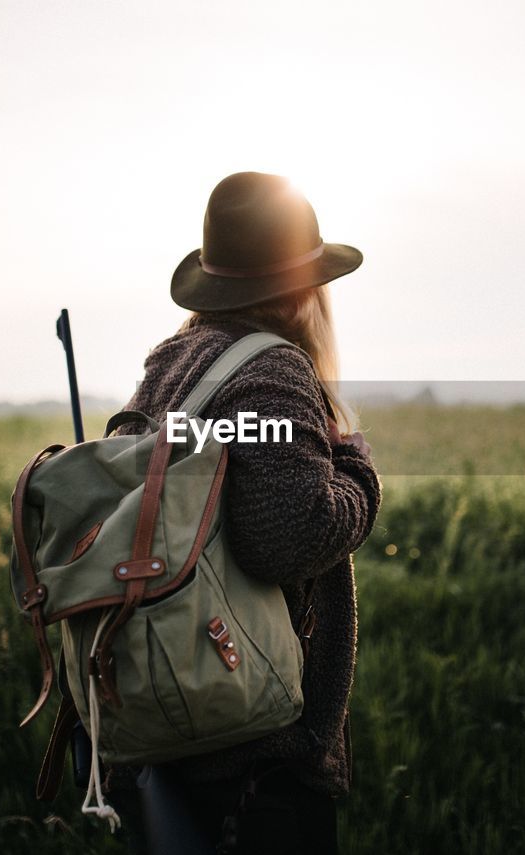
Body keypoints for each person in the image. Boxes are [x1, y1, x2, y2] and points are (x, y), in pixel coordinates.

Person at [109, 171, 381, 854]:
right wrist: (357, 470)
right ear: (299, 288)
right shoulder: (272, 372)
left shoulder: (172, 364)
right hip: (257, 752)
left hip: (177, 711)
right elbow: (291, 533)